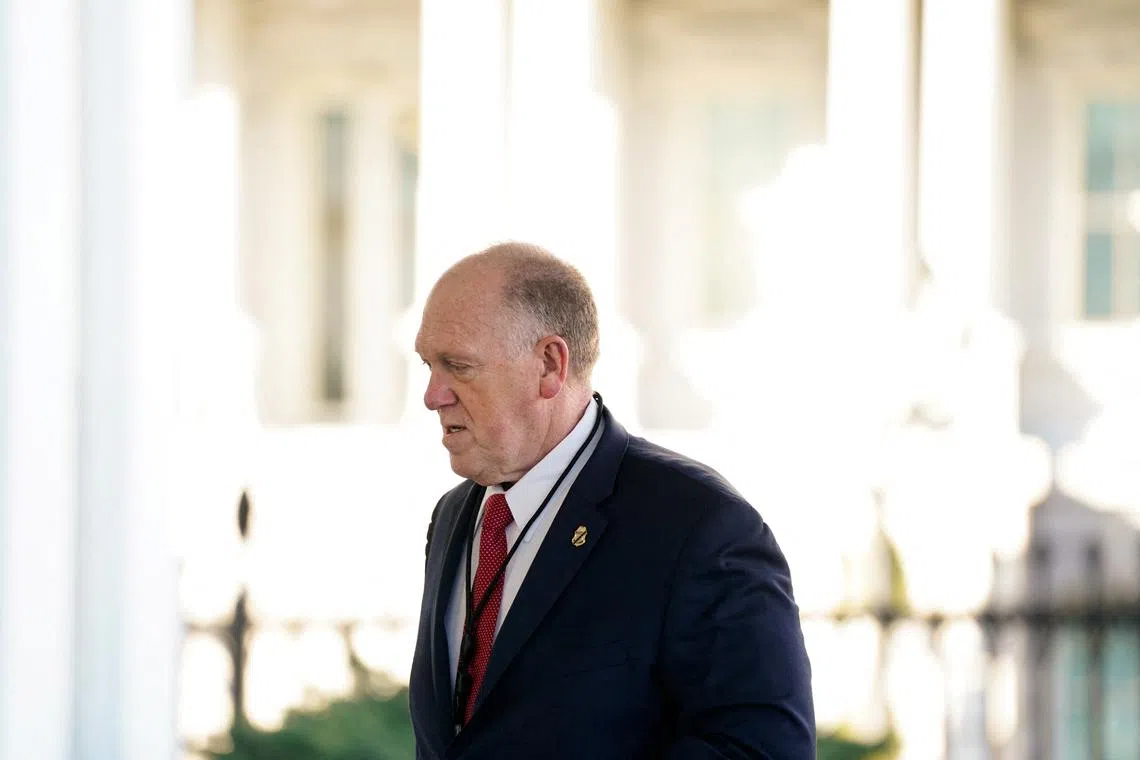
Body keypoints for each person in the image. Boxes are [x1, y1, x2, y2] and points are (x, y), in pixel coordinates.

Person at [408, 242, 814, 759]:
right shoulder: (453, 517)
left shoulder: (698, 527)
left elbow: (761, 751)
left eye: (458, 366)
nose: (432, 394)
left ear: (550, 366)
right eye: (428, 365)